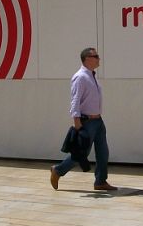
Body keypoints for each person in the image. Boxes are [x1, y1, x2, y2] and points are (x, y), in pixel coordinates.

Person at [50, 47, 116, 191]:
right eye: (96, 56)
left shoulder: (92, 76)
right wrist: (77, 122)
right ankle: (58, 170)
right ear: (87, 59)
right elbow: (75, 100)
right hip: (87, 122)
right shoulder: (80, 77)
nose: (99, 58)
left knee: (103, 152)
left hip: (98, 121)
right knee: (81, 153)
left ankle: (100, 181)